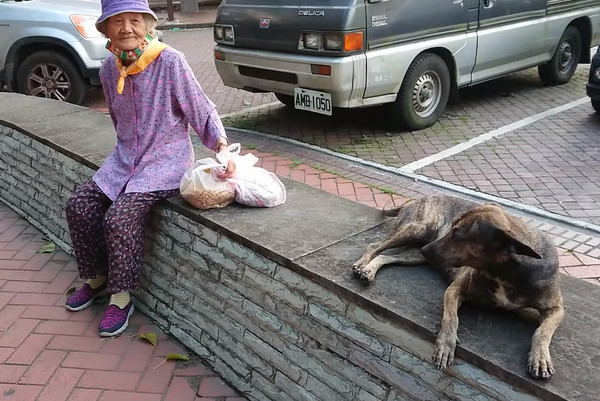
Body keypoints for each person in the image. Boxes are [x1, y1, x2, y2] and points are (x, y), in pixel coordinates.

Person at [64, 0, 235, 337]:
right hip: (124, 160)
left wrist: (222, 147)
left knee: (119, 218)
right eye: (117, 21)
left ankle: (121, 296)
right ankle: (97, 278)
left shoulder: (170, 61)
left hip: (165, 162)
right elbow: (117, 119)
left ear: (147, 24)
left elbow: (200, 108)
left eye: (134, 20)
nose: (126, 28)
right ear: (106, 29)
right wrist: (125, 152)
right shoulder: (109, 69)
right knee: (79, 206)